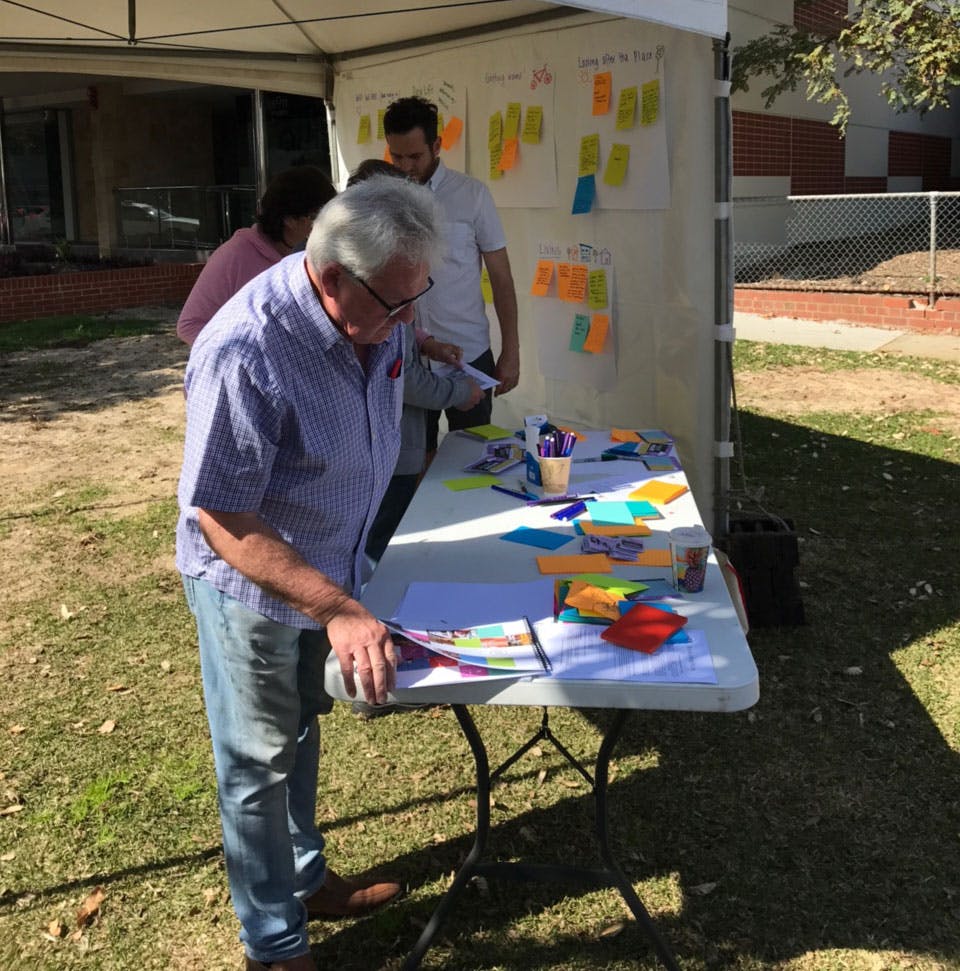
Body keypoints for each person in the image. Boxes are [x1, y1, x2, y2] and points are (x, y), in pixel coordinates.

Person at [176, 174, 445, 971]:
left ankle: (303, 878)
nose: (405, 322)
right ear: (331, 277)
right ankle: (274, 945)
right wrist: (337, 605)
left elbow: (391, 368)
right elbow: (223, 516)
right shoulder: (244, 349)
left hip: (328, 573)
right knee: (256, 762)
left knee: (299, 730)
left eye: (416, 299)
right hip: (252, 587)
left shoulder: (378, 313)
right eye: (396, 305)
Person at [343, 160, 483, 565]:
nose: (406, 314)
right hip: (386, 450)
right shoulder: (360, 284)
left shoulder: (379, 283)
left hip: (390, 447)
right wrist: (458, 391)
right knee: (378, 551)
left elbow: (399, 343)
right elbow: (401, 378)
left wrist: (426, 342)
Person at [383, 95, 520, 454]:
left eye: (415, 156)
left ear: (437, 146)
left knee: (473, 459)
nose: (406, 166)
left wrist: (511, 351)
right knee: (411, 463)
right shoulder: (383, 198)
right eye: (396, 156)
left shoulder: (472, 195)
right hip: (410, 358)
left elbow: (502, 279)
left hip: (468, 354)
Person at [176, 165, 337, 346]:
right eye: (318, 216)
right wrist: (236, 358)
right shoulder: (234, 256)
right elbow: (189, 325)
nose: (326, 224)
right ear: (290, 220)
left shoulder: (301, 253)